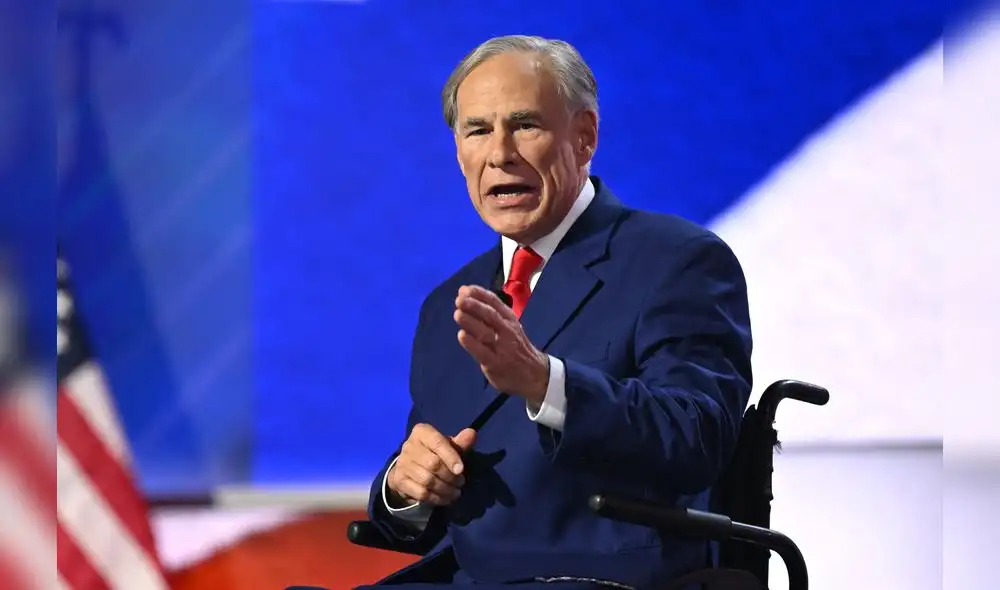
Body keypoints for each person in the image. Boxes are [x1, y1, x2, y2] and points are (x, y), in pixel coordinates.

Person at [360, 35, 752, 590]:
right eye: (477, 130)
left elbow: (698, 436)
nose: (500, 153)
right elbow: (422, 505)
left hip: (604, 578)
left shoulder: (676, 260)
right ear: (458, 152)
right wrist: (403, 488)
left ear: (585, 136)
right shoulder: (449, 303)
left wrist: (547, 384)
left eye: (525, 125)